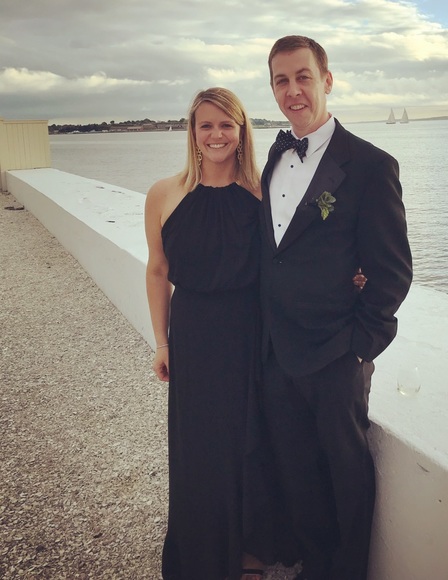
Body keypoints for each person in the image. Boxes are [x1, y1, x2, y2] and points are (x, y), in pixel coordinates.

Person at [258, 36, 413, 579]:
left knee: (346, 477)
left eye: (303, 77)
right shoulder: (273, 158)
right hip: (278, 352)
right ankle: (314, 566)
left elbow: (392, 271)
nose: (293, 91)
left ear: (326, 80)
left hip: (335, 355)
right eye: (281, 80)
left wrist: (358, 349)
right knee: (297, 471)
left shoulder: (370, 165)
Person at [144, 87, 266, 580]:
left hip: (249, 332)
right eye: (206, 125)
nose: (217, 135)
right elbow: (157, 270)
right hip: (193, 333)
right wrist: (162, 342)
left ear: (241, 131)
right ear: (192, 133)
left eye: (226, 125)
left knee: (248, 440)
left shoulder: (262, 192)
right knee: (197, 445)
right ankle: (200, 548)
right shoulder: (164, 193)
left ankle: (250, 549)